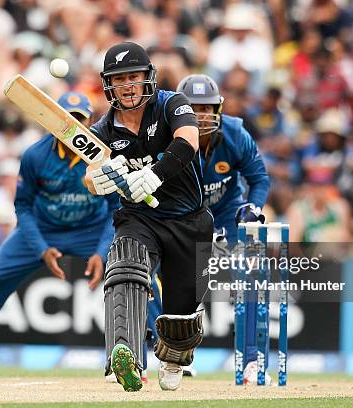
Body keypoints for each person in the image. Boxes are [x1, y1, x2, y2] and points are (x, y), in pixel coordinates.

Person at [0, 91, 118, 373]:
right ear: (54, 121)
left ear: (90, 123)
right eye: (66, 118)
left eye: (80, 120)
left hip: (91, 230)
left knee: (137, 273)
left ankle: (159, 357)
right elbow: (24, 207)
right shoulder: (35, 155)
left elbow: (116, 209)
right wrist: (41, 247)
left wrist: (102, 252)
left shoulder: (102, 156)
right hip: (42, 228)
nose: (73, 125)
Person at [86, 42, 213, 391]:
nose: (127, 85)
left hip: (190, 220)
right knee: (126, 266)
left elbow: (189, 140)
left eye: (133, 76)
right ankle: (122, 351)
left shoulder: (173, 103)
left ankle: (172, 356)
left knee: (181, 320)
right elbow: (90, 171)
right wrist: (97, 181)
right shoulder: (103, 130)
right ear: (108, 85)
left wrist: (156, 174)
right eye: (119, 78)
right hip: (140, 219)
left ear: (147, 78)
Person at [175, 74, 271, 383]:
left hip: (228, 215)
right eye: (193, 108)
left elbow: (259, 178)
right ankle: (176, 356)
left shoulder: (234, 133)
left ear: (218, 109)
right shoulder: (166, 134)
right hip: (183, 215)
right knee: (163, 280)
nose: (201, 116)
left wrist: (252, 208)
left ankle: (253, 361)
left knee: (252, 275)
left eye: (207, 108)